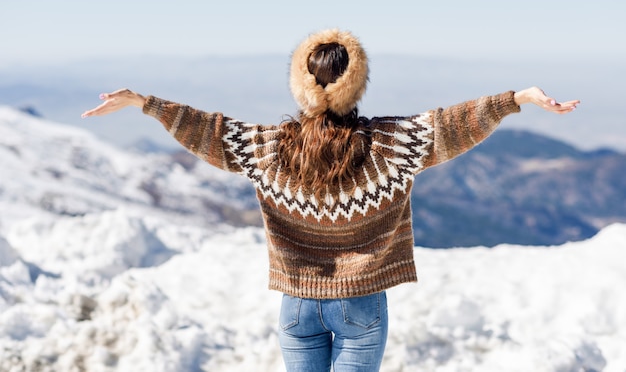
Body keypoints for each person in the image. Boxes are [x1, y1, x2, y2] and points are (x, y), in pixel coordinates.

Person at [82, 29, 579, 372]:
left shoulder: (268, 148)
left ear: (302, 85)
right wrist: (517, 98)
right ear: (355, 85)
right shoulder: (393, 145)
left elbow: (209, 131)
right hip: (361, 303)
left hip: (296, 305)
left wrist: (147, 104)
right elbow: (453, 122)